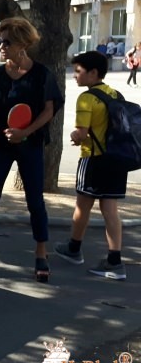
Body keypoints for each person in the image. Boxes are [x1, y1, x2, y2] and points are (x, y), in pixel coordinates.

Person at [0, 17, 64, 282]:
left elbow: (49, 110)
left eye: (7, 41)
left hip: (30, 146)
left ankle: (41, 254)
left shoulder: (42, 75)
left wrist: (26, 131)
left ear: (23, 42)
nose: (1, 46)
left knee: (35, 202)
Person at [54, 51, 127, 280]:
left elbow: (82, 133)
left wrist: (75, 136)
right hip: (117, 160)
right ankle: (115, 261)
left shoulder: (85, 99)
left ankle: (74, 249)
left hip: (93, 160)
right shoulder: (114, 93)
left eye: (78, 71)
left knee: (82, 207)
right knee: (111, 211)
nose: (74, 76)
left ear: (93, 73)